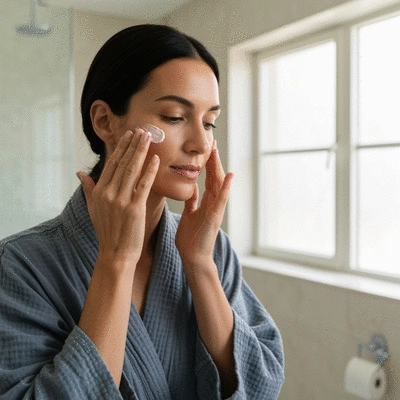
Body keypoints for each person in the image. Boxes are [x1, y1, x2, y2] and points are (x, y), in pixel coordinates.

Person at [0, 24, 284, 399]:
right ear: (104, 121)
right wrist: (115, 260)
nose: (201, 143)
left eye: (210, 121)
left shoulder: (212, 252)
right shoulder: (19, 266)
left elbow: (261, 387)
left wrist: (199, 264)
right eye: (174, 117)